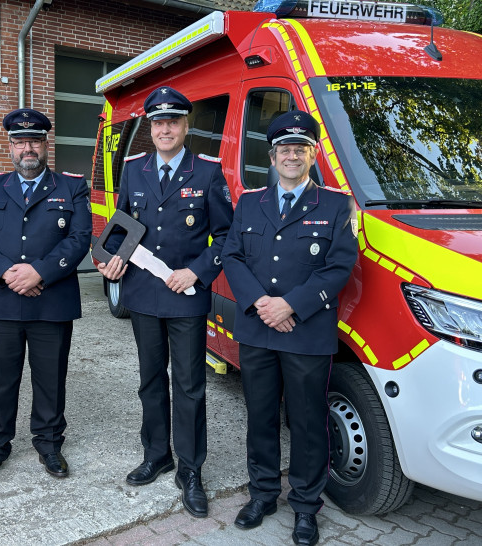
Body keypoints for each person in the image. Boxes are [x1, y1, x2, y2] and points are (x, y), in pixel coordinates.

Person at [221, 111, 358, 545]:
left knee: (306, 421)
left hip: (307, 331)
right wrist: (261, 303)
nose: (292, 155)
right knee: (260, 417)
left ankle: (305, 506)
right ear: (272, 154)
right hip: (258, 329)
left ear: (312, 155)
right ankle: (262, 494)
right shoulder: (249, 202)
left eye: (301, 148)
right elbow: (232, 256)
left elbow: (340, 266)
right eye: (284, 149)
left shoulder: (337, 205)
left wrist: (290, 306)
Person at [97, 86, 233, 518]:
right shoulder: (134, 170)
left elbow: (227, 238)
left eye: (173, 121)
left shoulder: (207, 172)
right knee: (150, 380)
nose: (165, 129)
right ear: (151, 129)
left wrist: (197, 270)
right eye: (158, 122)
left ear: (185, 126)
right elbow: (120, 227)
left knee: (190, 386)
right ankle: (157, 454)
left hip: (186, 296)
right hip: (142, 294)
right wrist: (111, 262)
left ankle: (190, 469)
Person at [0, 108, 92, 483]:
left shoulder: (71, 187)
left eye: (34, 141)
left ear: (45, 144)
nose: (28, 148)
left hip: (51, 301)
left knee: (50, 378)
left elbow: (80, 237)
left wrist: (40, 271)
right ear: (10, 147)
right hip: (2, 300)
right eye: (20, 142)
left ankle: (50, 444)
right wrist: (8, 273)